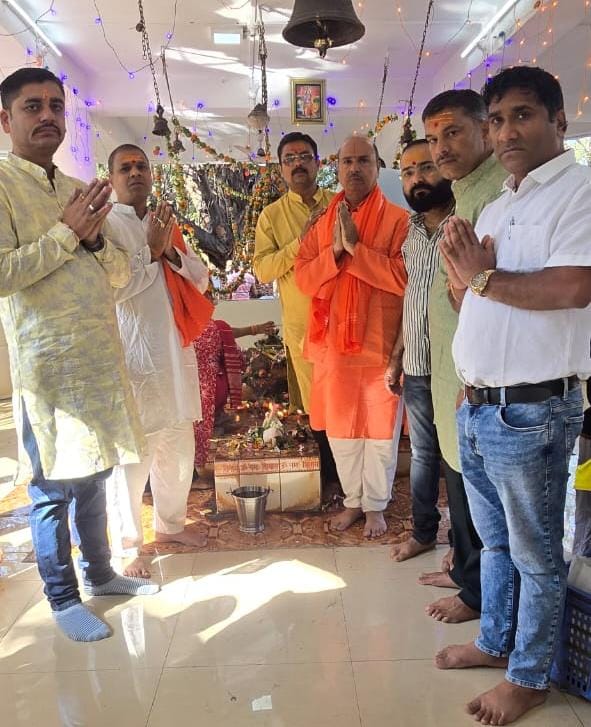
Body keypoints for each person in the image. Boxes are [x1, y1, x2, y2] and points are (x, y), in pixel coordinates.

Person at [436, 66, 591, 725]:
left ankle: (527, 678)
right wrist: (464, 280)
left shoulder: (580, 192)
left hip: (533, 409)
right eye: (496, 120)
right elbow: (477, 297)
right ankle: (495, 640)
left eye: (522, 115)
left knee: (534, 555)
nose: (506, 132)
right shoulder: (499, 204)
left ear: (558, 120)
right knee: (494, 544)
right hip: (480, 405)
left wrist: (481, 278)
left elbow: (573, 287)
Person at [0, 68, 157, 642]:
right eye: (32, 106)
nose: (48, 115)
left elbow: (117, 274)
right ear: (5, 119)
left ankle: (101, 573)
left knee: (95, 476)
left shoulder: (76, 187)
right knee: (51, 490)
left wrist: (91, 238)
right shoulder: (2, 184)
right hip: (47, 372)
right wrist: (67, 234)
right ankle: (63, 598)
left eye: (55, 106)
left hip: (98, 361)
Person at [408, 89, 507, 624]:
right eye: (433, 137)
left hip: (479, 379)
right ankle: (468, 572)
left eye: (453, 132)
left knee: (483, 497)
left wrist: (465, 287)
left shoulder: (497, 193)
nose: (441, 148)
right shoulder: (467, 194)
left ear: (484, 130)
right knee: (463, 484)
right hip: (451, 371)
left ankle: (479, 595)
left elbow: (483, 291)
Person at [106, 143, 213, 578]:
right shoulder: (105, 225)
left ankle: (170, 525)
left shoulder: (164, 222)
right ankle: (129, 543)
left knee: (177, 449)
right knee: (133, 459)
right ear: (112, 178)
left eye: (142, 166)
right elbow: (111, 288)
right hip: (134, 358)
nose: (135, 173)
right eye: (125, 168)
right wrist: (149, 252)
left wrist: (168, 250)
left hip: (174, 353)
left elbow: (200, 279)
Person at [295, 136, 408, 538]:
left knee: (379, 432)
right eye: (347, 161)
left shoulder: (399, 221)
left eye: (363, 160)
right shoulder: (323, 222)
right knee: (342, 432)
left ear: (377, 167)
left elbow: (403, 278)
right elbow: (303, 277)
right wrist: (335, 253)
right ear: (337, 168)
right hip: (334, 350)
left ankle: (376, 506)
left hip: (380, 346)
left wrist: (356, 249)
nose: (355, 168)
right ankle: (353, 502)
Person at [387, 140, 459, 576]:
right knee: (423, 454)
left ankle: (464, 551)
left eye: (426, 167)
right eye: (408, 171)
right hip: (417, 363)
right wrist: (397, 355)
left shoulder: (466, 218)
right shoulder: (411, 232)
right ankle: (423, 533)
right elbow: (410, 296)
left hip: (457, 368)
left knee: (459, 460)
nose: (417, 179)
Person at [254, 131, 339, 488]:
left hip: (346, 322)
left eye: (304, 156)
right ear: (280, 169)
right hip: (304, 329)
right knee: (318, 406)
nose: (298, 164)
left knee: (348, 401)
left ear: (318, 163)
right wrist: (299, 243)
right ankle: (333, 481)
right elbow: (262, 270)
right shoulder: (271, 216)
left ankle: (360, 485)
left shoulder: (339, 203)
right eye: (289, 159)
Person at [193, 317, 276, 479]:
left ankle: (195, 465)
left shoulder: (184, 329)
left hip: (193, 389)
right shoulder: (215, 327)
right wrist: (254, 329)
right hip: (211, 388)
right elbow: (230, 339)